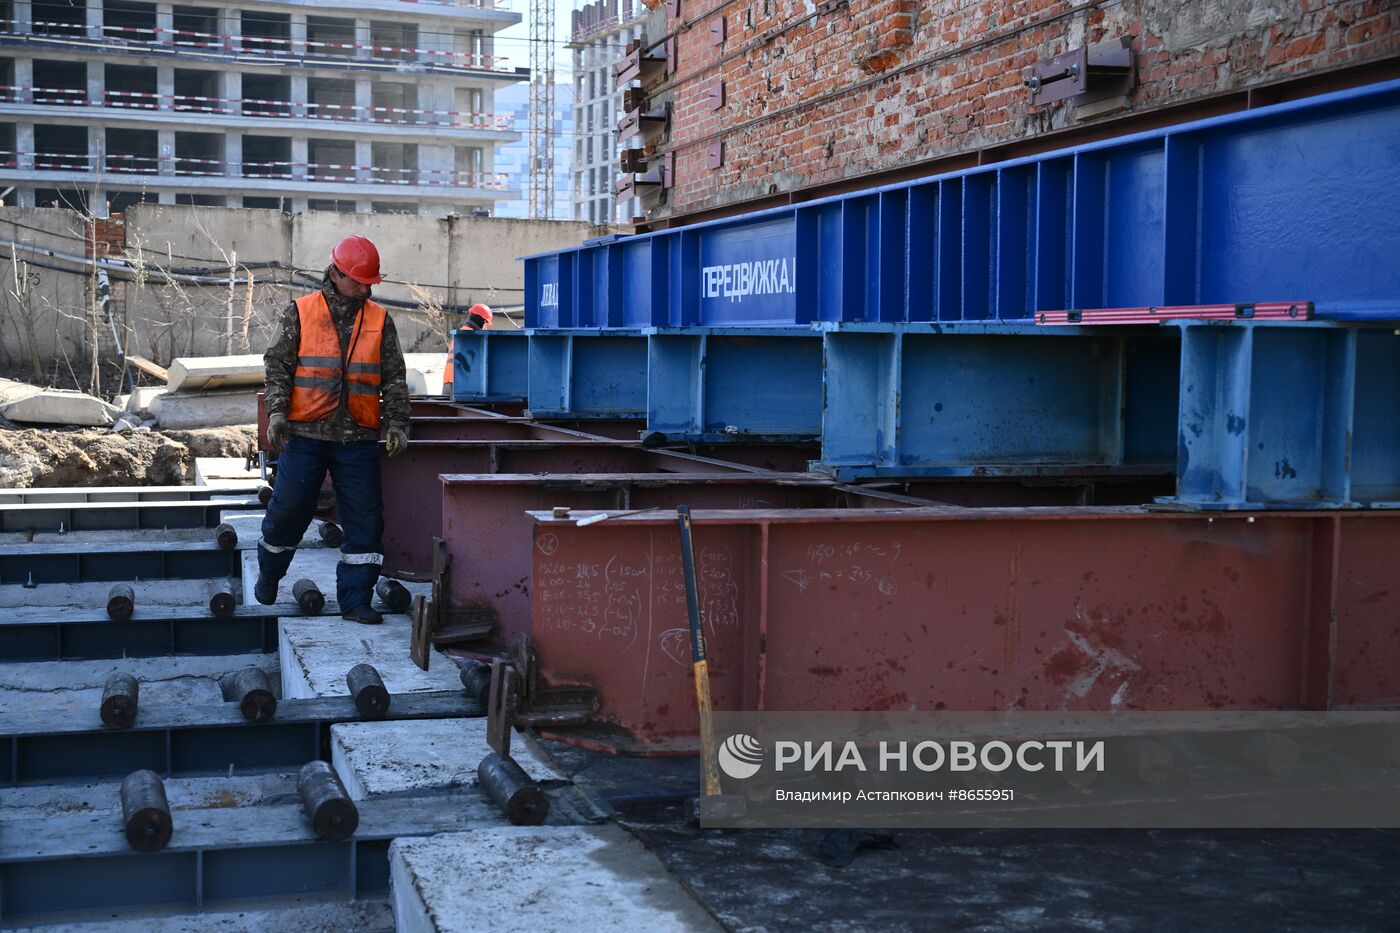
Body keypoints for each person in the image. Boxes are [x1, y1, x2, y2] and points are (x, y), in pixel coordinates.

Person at [256, 235, 411, 624]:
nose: (365, 288)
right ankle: (270, 574)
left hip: (357, 437)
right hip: (306, 434)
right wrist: (277, 414)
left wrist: (396, 423)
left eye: (370, 283)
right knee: (289, 510)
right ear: (336, 273)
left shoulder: (378, 319)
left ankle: (356, 601)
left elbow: (394, 378)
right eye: (358, 281)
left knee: (365, 519)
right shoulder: (301, 312)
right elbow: (277, 367)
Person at [441, 303, 492, 396]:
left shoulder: (462, 332)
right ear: (482, 320)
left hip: (450, 380)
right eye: (486, 323)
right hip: (459, 384)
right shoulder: (470, 336)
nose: (486, 327)